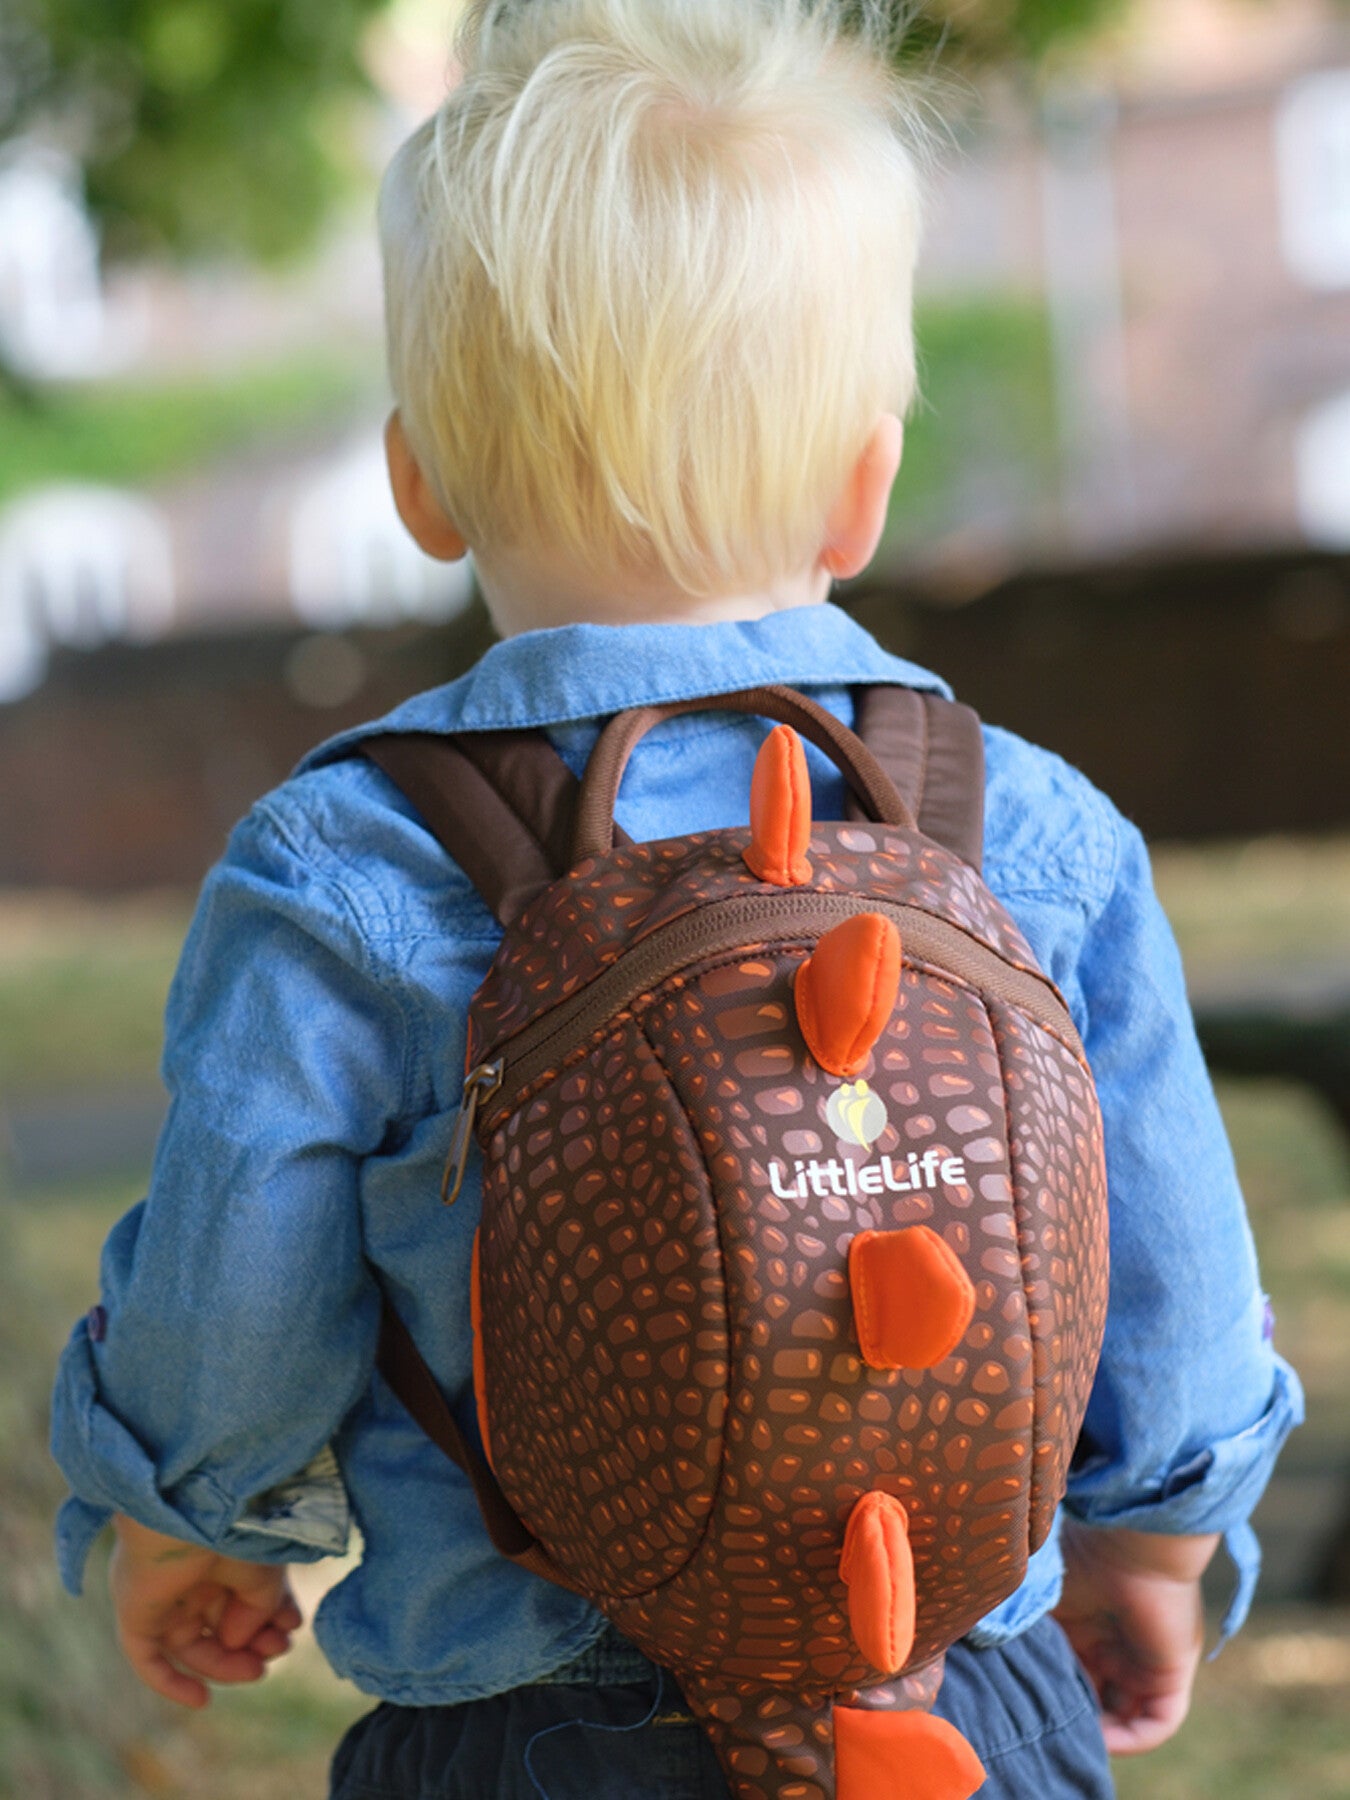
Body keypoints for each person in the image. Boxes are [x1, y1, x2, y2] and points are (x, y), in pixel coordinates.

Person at [51, 3, 1302, 1796]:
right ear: (867, 486)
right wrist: (1159, 1539)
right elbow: (1173, 1274)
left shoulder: (350, 859)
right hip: (953, 1697)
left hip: (525, 1724)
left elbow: (238, 1284)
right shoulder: (1022, 830)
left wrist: (187, 1518)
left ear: (418, 481)